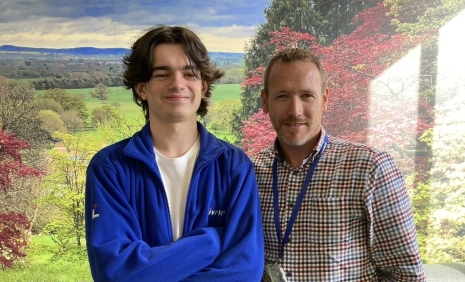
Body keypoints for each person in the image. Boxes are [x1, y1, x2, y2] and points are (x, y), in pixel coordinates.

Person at [84, 25, 264, 282]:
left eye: (189, 74)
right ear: (141, 88)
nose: (177, 84)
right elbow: (117, 273)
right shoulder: (109, 169)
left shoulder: (234, 167)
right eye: (162, 74)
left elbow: (244, 272)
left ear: (203, 87)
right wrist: (212, 240)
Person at [252, 48, 426, 281]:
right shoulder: (249, 172)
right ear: (266, 101)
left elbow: (406, 275)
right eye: (282, 96)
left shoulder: (371, 169)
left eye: (307, 95)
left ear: (324, 99)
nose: (295, 111)